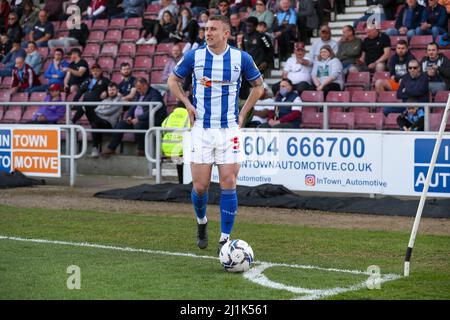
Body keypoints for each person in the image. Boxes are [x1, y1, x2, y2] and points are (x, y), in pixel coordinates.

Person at [167, 15, 264, 252]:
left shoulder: (241, 58)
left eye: (213, 29)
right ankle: (202, 223)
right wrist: (186, 103)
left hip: (229, 129)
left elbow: (259, 86)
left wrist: (243, 114)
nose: (207, 33)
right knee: (200, 187)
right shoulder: (195, 56)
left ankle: (224, 239)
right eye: (206, 29)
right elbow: (173, 80)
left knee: (228, 182)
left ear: (226, 34)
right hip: (201, 129)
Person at [102, 77, 166, 157]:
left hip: (152, 120)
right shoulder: (139, 94)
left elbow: (153, 110)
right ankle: (111, 148)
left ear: (145, 85)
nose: (138, 90)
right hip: (137, 119)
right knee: (121, 124)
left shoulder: (154, 93)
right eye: (137, 89)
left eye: (139, 88)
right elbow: (133, 107)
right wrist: (129, 116)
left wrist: (139, 118)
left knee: (139, 125)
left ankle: (141, 150)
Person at [89, 82, 123, 157]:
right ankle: (95, 148)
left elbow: (108, 111)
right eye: (109, 90)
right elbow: (96, 110)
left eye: (113, 90)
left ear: (117, 90)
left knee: (94, 120)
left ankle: (96, 148)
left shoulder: (119, 101)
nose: (111, 91)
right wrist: (101, 112)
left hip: (109, 124)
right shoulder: (105, 100)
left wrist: (100, 112)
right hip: (99, 121)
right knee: (94, 121)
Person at [161, 106, 191, 184]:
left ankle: (181, 181)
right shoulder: (188, 116)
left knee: (179, 159)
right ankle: (185, 181)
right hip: (181, 149)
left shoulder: (170, 116)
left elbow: (162, 127)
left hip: (167, 148)